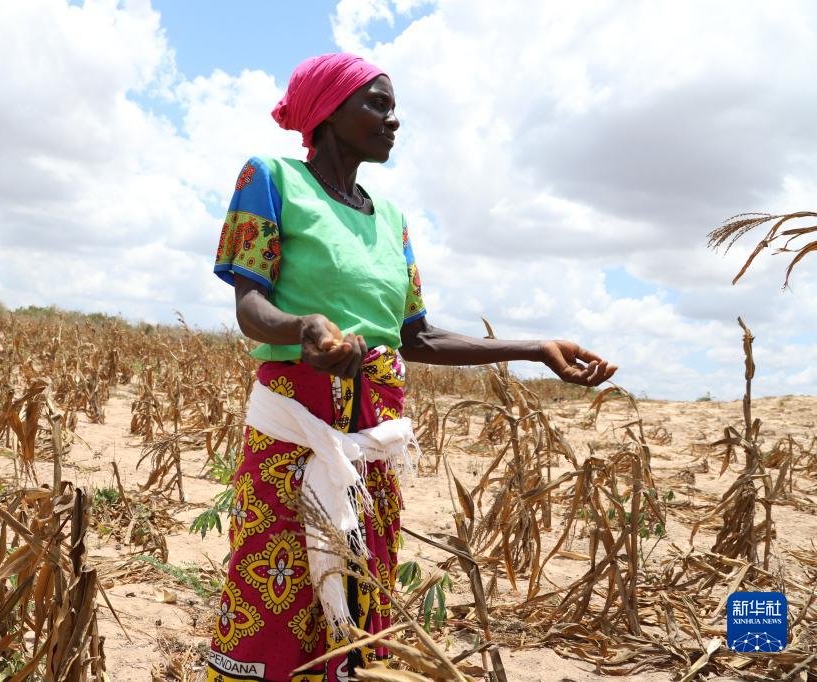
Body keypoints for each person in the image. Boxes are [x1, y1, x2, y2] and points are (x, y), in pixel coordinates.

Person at [208, 53, 617, 682]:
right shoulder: (269, 179)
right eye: (377, 103)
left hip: (374, 439)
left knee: (361, 580)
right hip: (296, 427)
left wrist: (535, 349)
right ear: (328, 111)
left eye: (393, 107)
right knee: (276, 587)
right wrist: (304, 328)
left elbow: (416, 336)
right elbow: (250, 307)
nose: (393, 120)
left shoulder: (394, 220)